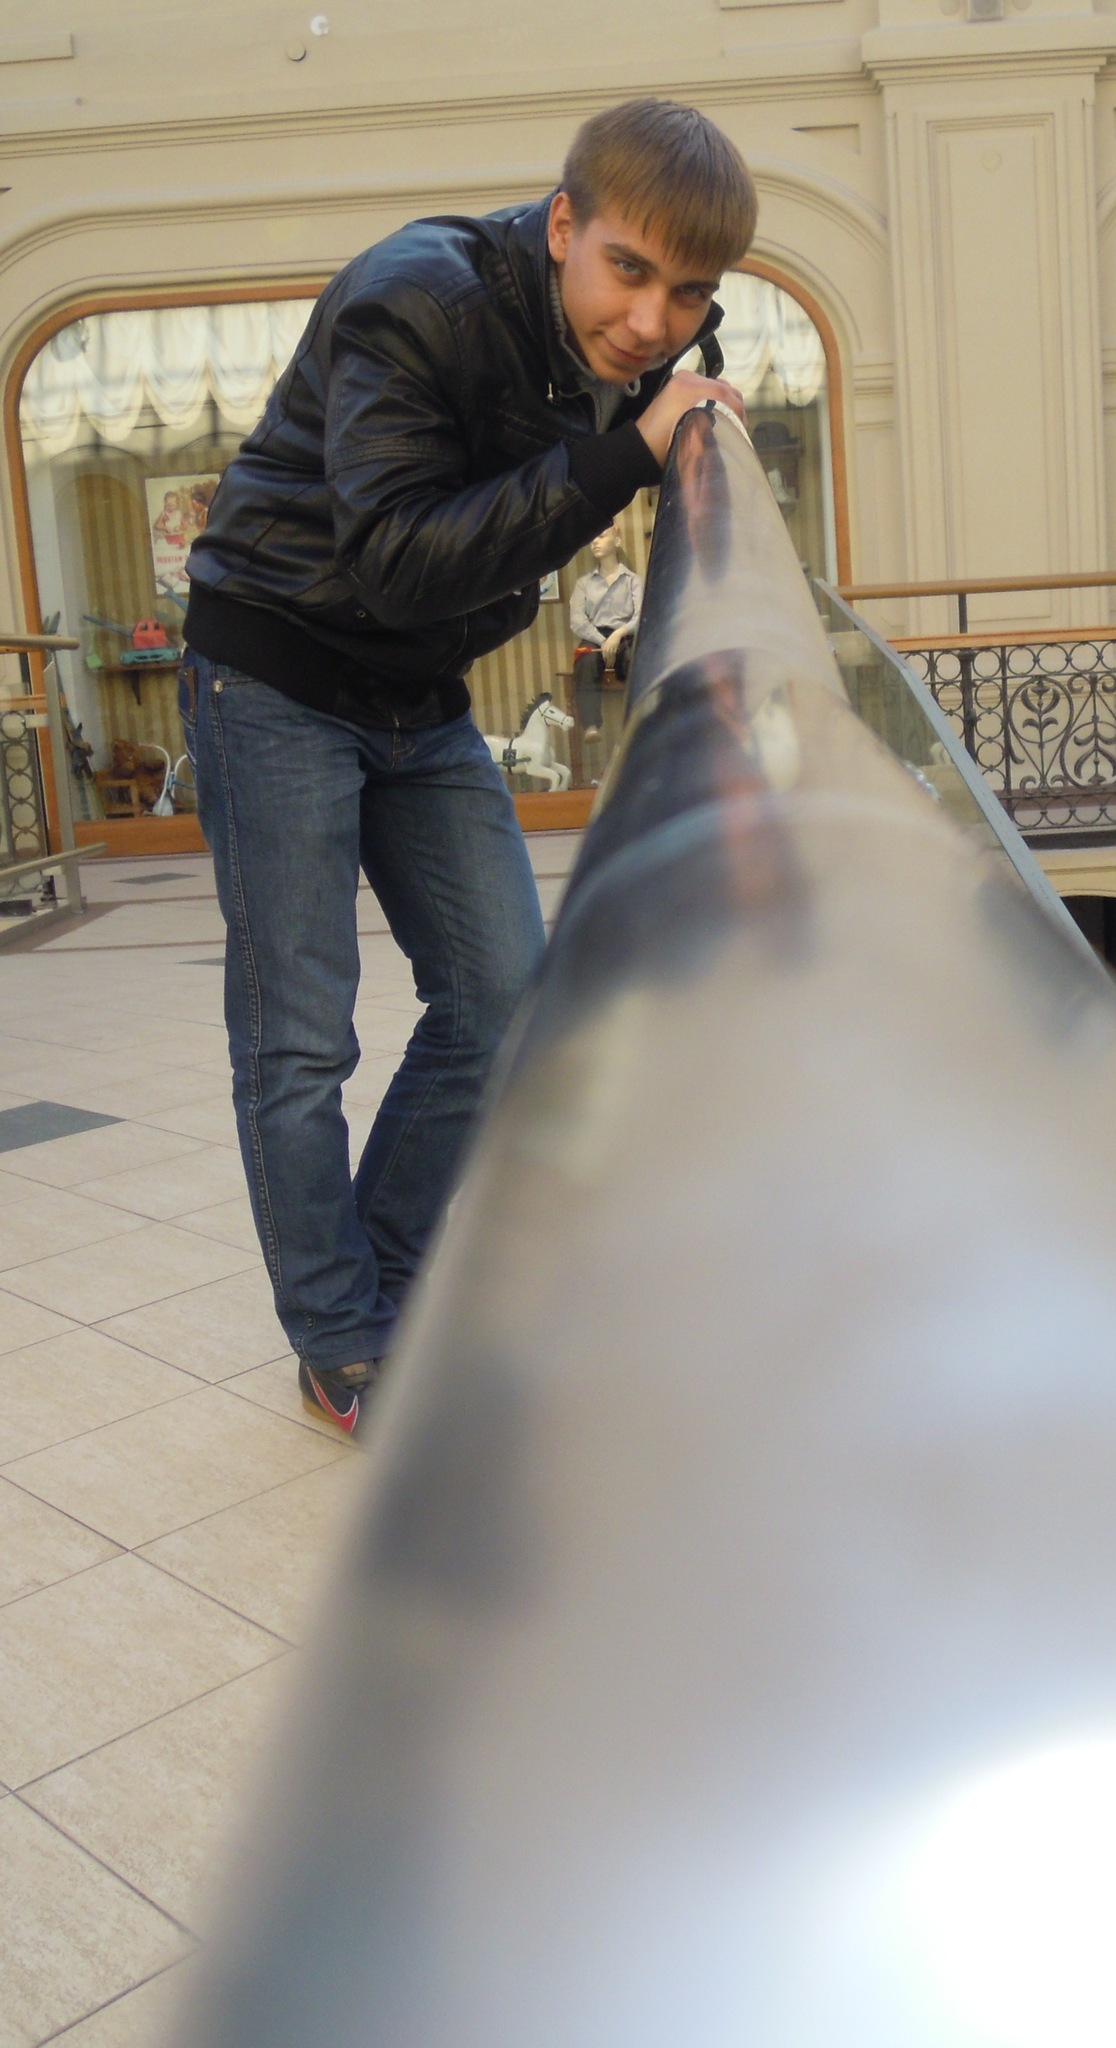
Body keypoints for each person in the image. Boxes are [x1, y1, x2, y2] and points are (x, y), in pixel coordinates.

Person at [179, 98, 754, 1436]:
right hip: (273, 669)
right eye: (627, 270)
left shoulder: (645, 338)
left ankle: (383, 1282)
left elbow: (654, 404)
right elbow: (393, 556)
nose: (651, 322)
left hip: (414, 688)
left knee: (504, 996)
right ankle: (338, 1338)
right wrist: (624, 454)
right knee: (299, 1034)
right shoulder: (415, 301)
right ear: (562, 226)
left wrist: (678, 434)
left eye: (687, 293)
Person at [569, 522, 642, 738]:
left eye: (601, 536)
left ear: (617, 541)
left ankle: (638, 724)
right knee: (585, 663)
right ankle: (591, 726)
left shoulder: (632, 581)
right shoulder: (584, 583)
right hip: (595, 637)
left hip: (625, 636)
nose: (595, 541)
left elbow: (641, 615)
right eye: (593, 537)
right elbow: (577, 620)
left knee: (636, 661)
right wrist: (602, 641)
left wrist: (618, 634)